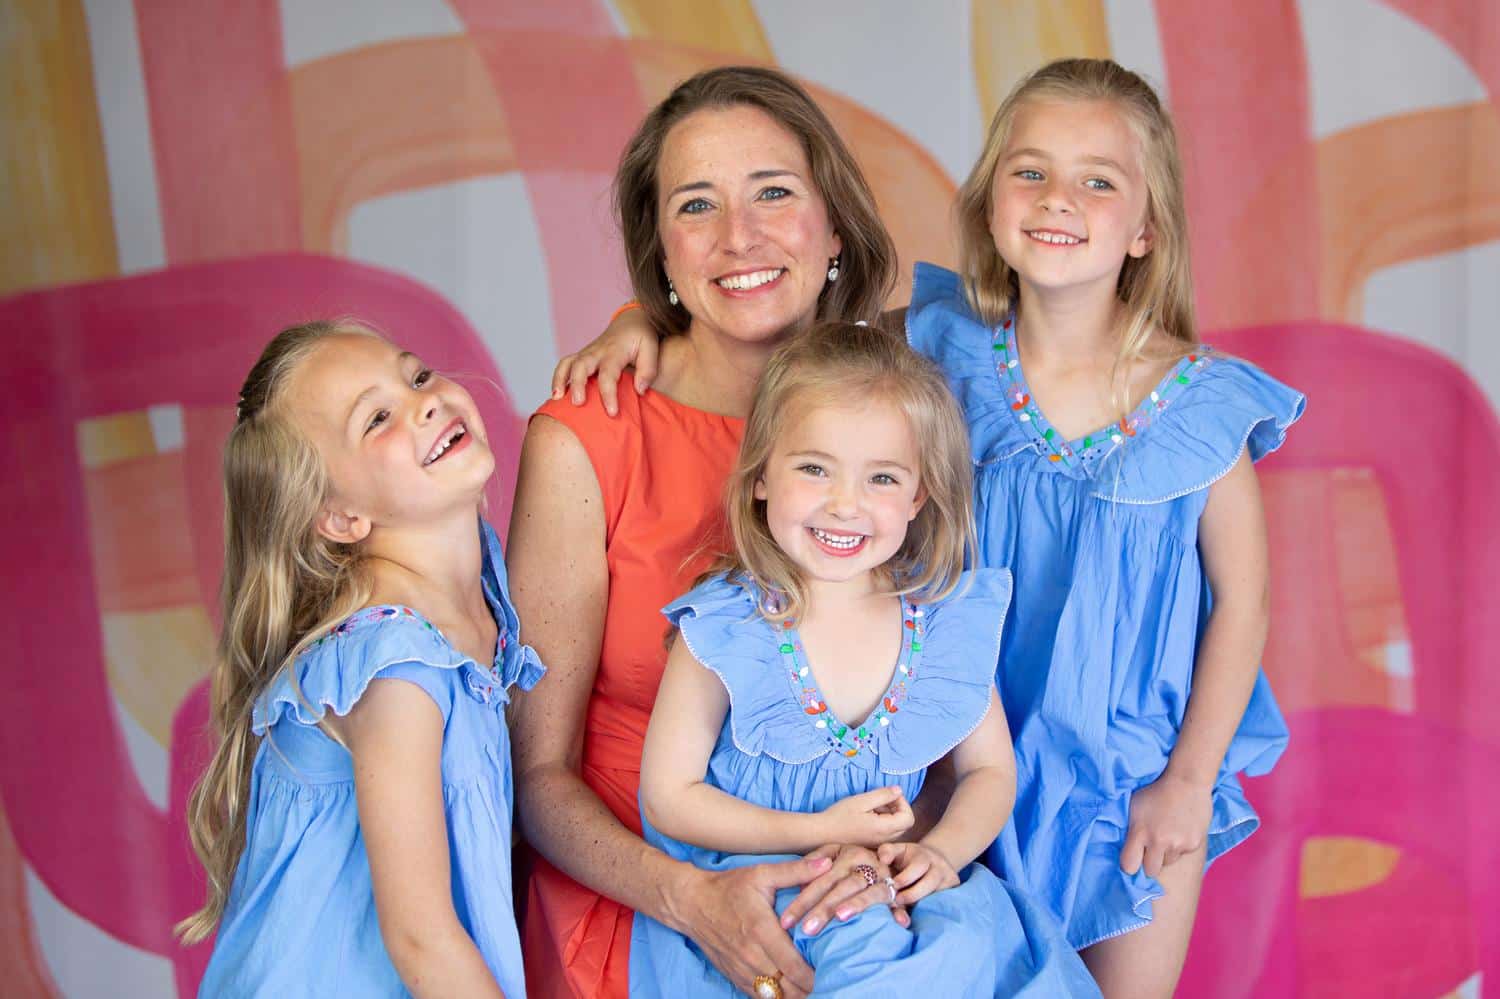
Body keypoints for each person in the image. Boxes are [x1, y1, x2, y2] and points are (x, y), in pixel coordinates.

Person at [554, 57, 1305, 999]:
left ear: (1149, 224)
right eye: (1029, 172)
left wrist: (1190, 778)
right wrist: (644, 323)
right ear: (990, 200)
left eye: (1098, 180)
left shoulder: (1203, 407)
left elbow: (1245, 599)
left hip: (1120, 772)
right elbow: (795, 343)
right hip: (943, 760)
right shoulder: (936, 347)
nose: (1057, 198)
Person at [505, 66, 906, 999]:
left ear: (835, 224)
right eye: (697, 206)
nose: (740, 238)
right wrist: (697, 899)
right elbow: (535, 774)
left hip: (842, 895)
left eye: (774, 191)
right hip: (643, 902)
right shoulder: (587, 436)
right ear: (663, 253)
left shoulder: (900, 407)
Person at [632, 321, 1101, 997]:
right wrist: (818, 831)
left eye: (881, 477)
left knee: (979, 953)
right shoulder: (726, 625)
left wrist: (940, 854)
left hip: (896, 890)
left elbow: (990, 770)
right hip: (762, 895)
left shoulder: (942, 621)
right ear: (762, 472)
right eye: (814, 468)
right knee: (862, 949)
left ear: (918, 495)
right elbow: (669, 797)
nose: (845, 504)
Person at [180, 321, 542, 997]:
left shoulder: (485, 590)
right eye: (377, 418)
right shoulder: (393, 667)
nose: (424, 402)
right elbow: (420, 938)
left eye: (417, 375)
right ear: (340, 516)